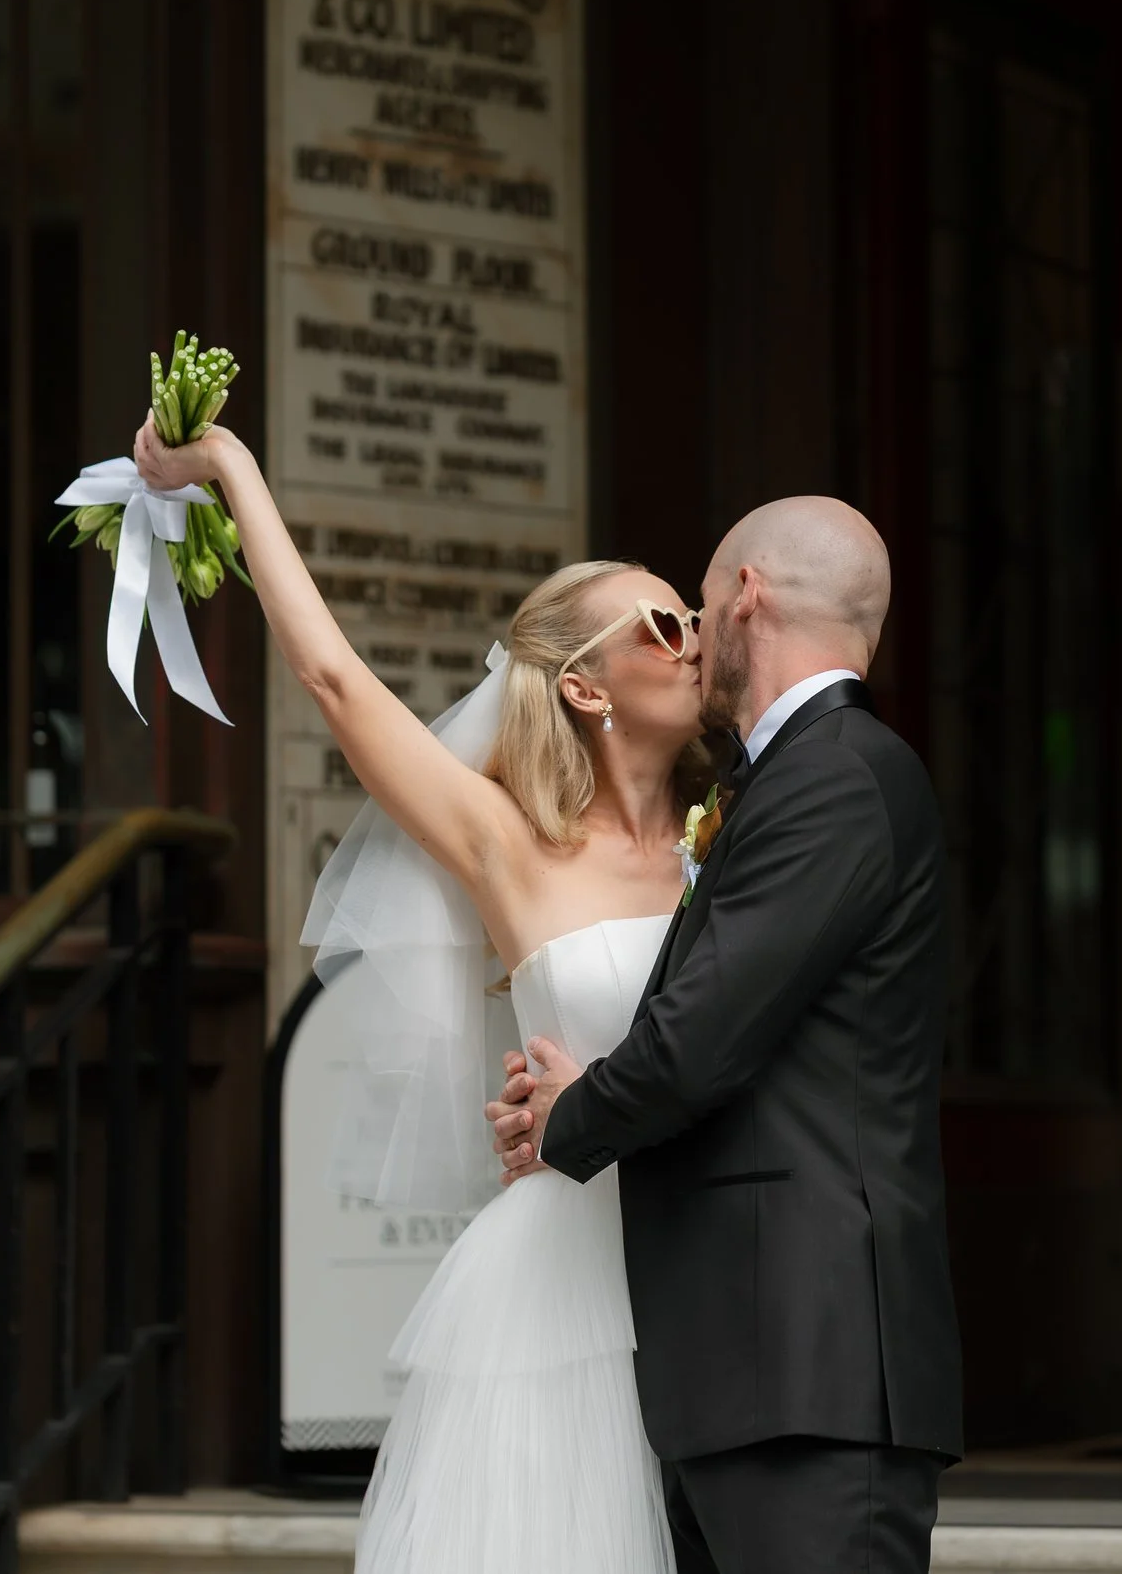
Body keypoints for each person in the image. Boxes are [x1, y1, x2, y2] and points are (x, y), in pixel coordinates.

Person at [131, 413, 706, 1572]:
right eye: (663, 621)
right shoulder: (508, 842)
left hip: (709, 1269)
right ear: (586, 687)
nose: (694, 638)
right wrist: (230, 465)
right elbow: (334, 681)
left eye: (693, 613)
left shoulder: (729, 844)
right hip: (567, 1291)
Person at [489, 496, 964, 1573]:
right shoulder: (785, 779)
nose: (695, 636)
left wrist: (571, 1115)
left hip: (813, 1372)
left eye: (698, 608)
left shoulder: (837, 774)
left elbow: (704, 1034)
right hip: (743, 1372)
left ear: (745, 592)